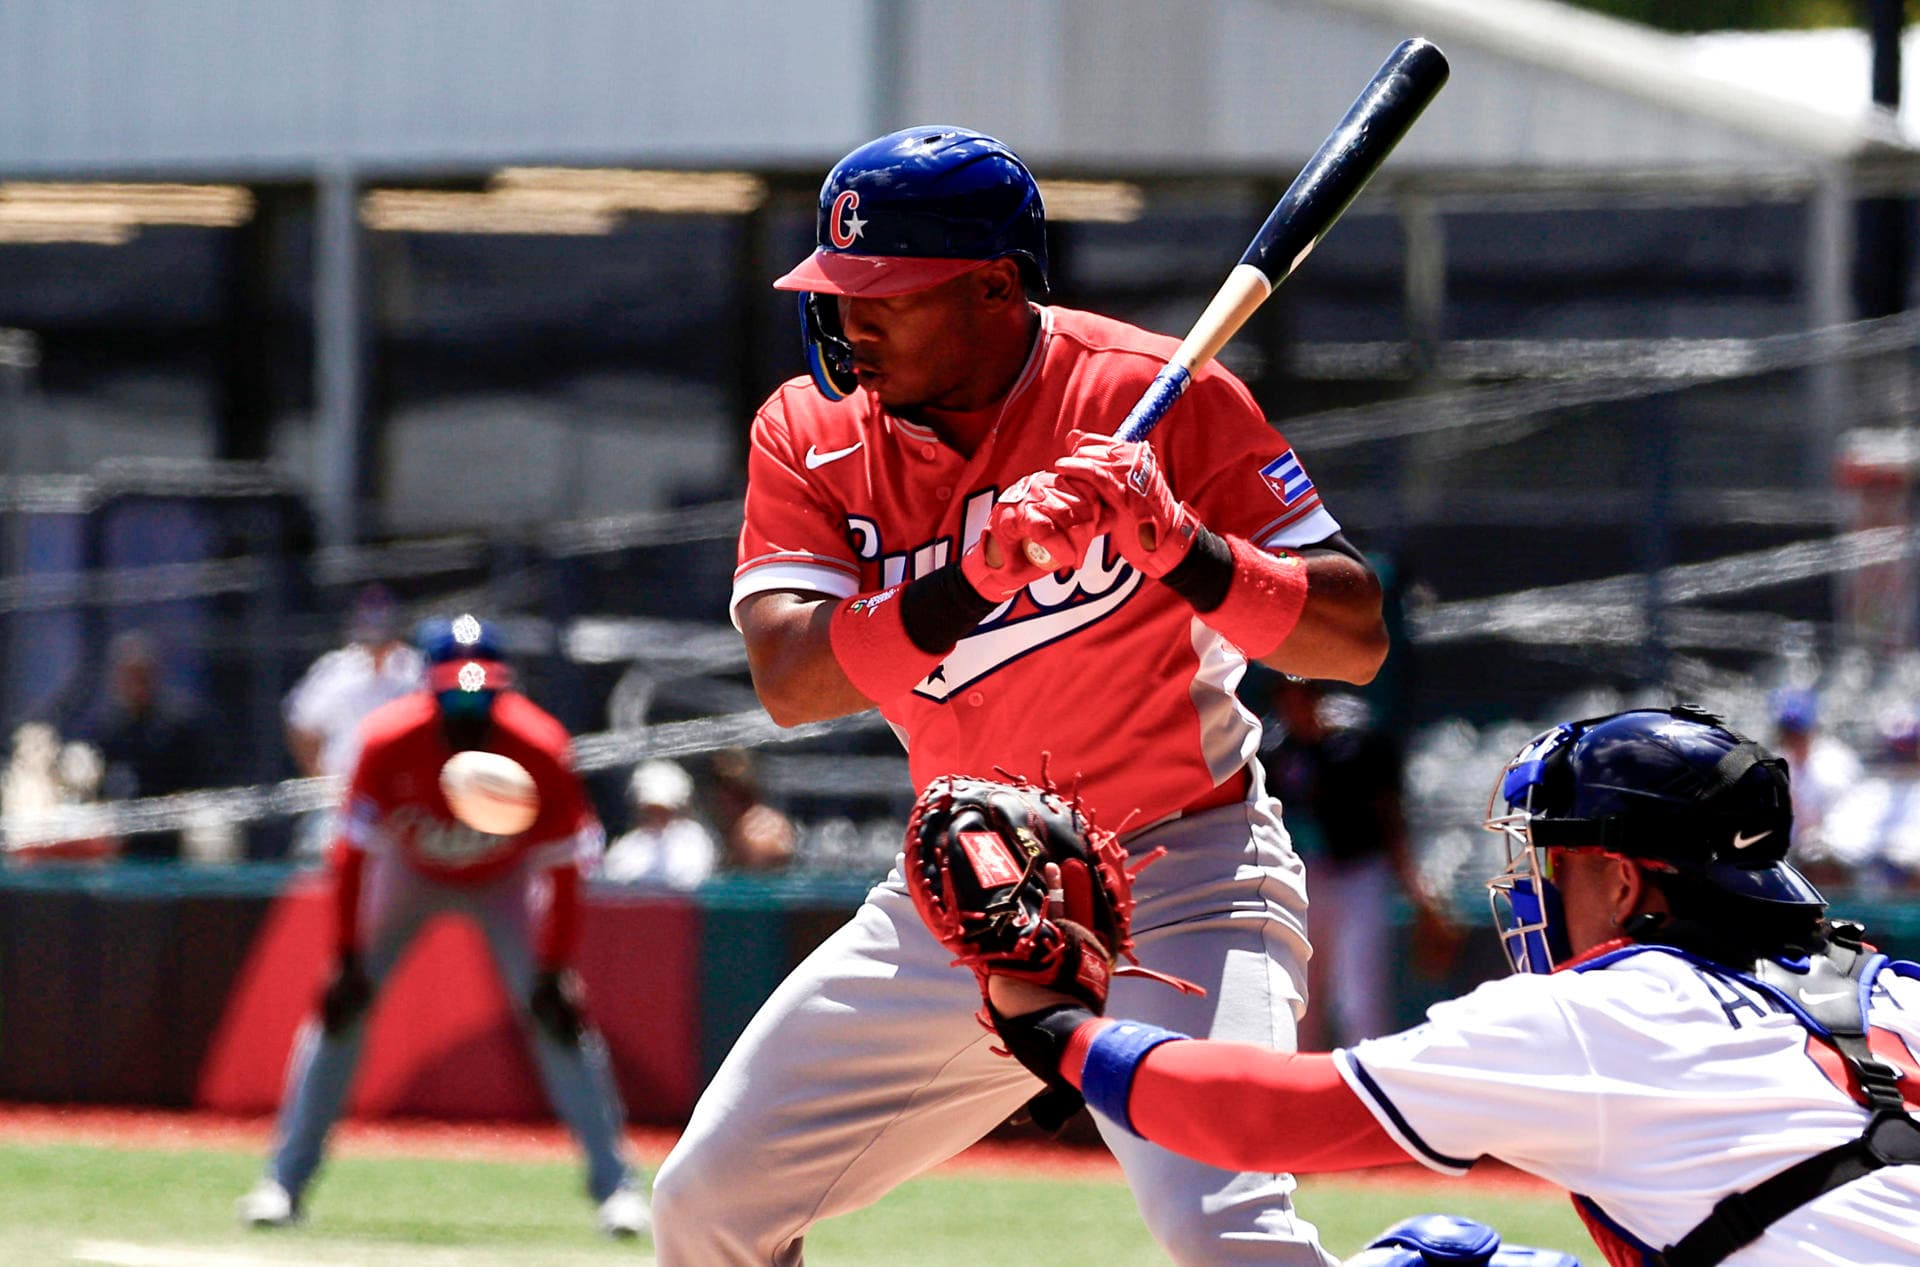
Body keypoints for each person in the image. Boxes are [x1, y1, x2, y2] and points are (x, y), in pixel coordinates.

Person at [650, 125, 1388, 1264]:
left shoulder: (1153, 392)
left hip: (1185, 871)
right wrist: (976, 574)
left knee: (1220, 1230)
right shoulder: (807, 431)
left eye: (885, 292)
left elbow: (1354, 636)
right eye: (838, 288)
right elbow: (793, 679)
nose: (851, 318)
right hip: (963, 889)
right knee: (708, 1205)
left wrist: (1181, 545)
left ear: (994, 287)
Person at [980, 706, 1920, 1267]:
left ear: (1626, 878)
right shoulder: (1896, 990)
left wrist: (1059, 1030)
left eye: (1555, 857)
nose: (1536, 883)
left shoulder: (1609, 1009)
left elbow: (1269, 1118)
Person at [237, 614, 648, 1238]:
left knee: (558, 1013)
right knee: (340, 1009)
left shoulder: (540, 745)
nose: (468, 705)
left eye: (481, 692)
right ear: (425, 687)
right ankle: (282, 1183)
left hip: (505, 879)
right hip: (411, 873)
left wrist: (552, 969)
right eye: (455, 691)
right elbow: (352, 859)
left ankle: (617, 1190)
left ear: (504, 688)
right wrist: (347, 956)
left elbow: (563, 873)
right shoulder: (387, 740)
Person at [1264, 681, 1456, 1045]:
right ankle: (1298, 1092)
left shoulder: (1357, 745)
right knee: (1298, 998)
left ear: (1319, 697)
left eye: (1304, 695)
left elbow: (1391, 820)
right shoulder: (1274, 752)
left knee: (1358, 1000)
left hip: (1359, 874)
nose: (1297, 705)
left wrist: (1418, 893)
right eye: (1286, 696)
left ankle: (1365, 1087)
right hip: (1302, 878)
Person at [283, 585, 424, 857]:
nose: (376, 628)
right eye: (370, 619)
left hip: (404, 801)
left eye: (383, 619)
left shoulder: (416, 670)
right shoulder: (336, 669)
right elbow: (301, 726)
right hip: (342, 799)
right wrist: (321, 779)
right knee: (319, 858)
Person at [80, 629, 219, 859]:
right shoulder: (105, 728)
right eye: (129, 676)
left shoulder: (179, 724)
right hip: (122, 834)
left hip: (171, 832)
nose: (136, 686)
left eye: (142, 676)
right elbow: (97, 784)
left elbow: (205, 777)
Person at [1765, 687, 1864, 882]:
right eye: (1787, 731)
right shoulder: (1774, 762)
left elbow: (1851, 816)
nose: (1793, 737)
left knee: (1821, 860)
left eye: (1797, 731)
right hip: (1790, 854)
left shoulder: (1837, 760)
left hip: (1836, 850)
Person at [600, 758, 718, 888]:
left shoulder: (693, 840)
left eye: (664, 810)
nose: (656, 816)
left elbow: (692, 882)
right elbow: (614, 884)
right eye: (649, 810)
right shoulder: (628, 846)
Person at [706, 746, 796, 873]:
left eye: (738, 790)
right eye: (723, 786)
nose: (727, 796)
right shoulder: (712, 824)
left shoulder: (766, 829)